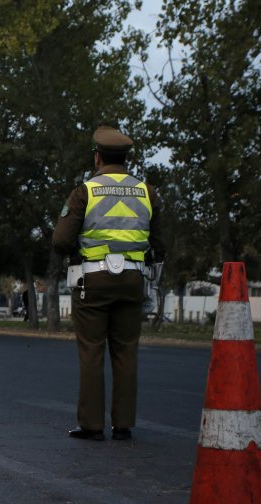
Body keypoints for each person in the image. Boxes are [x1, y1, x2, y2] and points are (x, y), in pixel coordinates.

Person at [52, 126, 165, 441]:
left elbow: (60, 241)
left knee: (92, 351)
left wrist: (77, 251)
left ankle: (92, 425)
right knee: (126, 351)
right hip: (133, 279)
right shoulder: (147, 192)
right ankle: (123, 424)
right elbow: (160, 243)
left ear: (97, 157)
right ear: (127, 159)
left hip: (94, 279)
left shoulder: (85, 191)